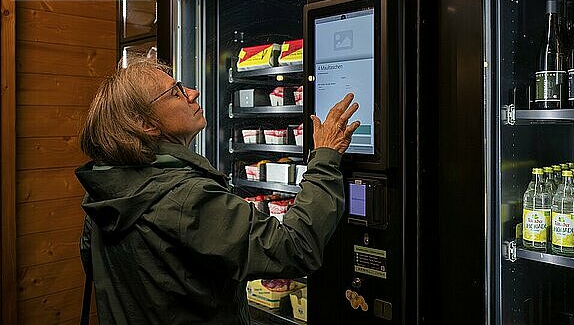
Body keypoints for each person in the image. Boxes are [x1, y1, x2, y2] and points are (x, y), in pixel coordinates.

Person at [75, 57, 360, 324]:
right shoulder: (185, 198)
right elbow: (293, 249)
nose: (193, 92)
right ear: (146, 124)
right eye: (175, 92)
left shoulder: (104, 190)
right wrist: (325, 157)